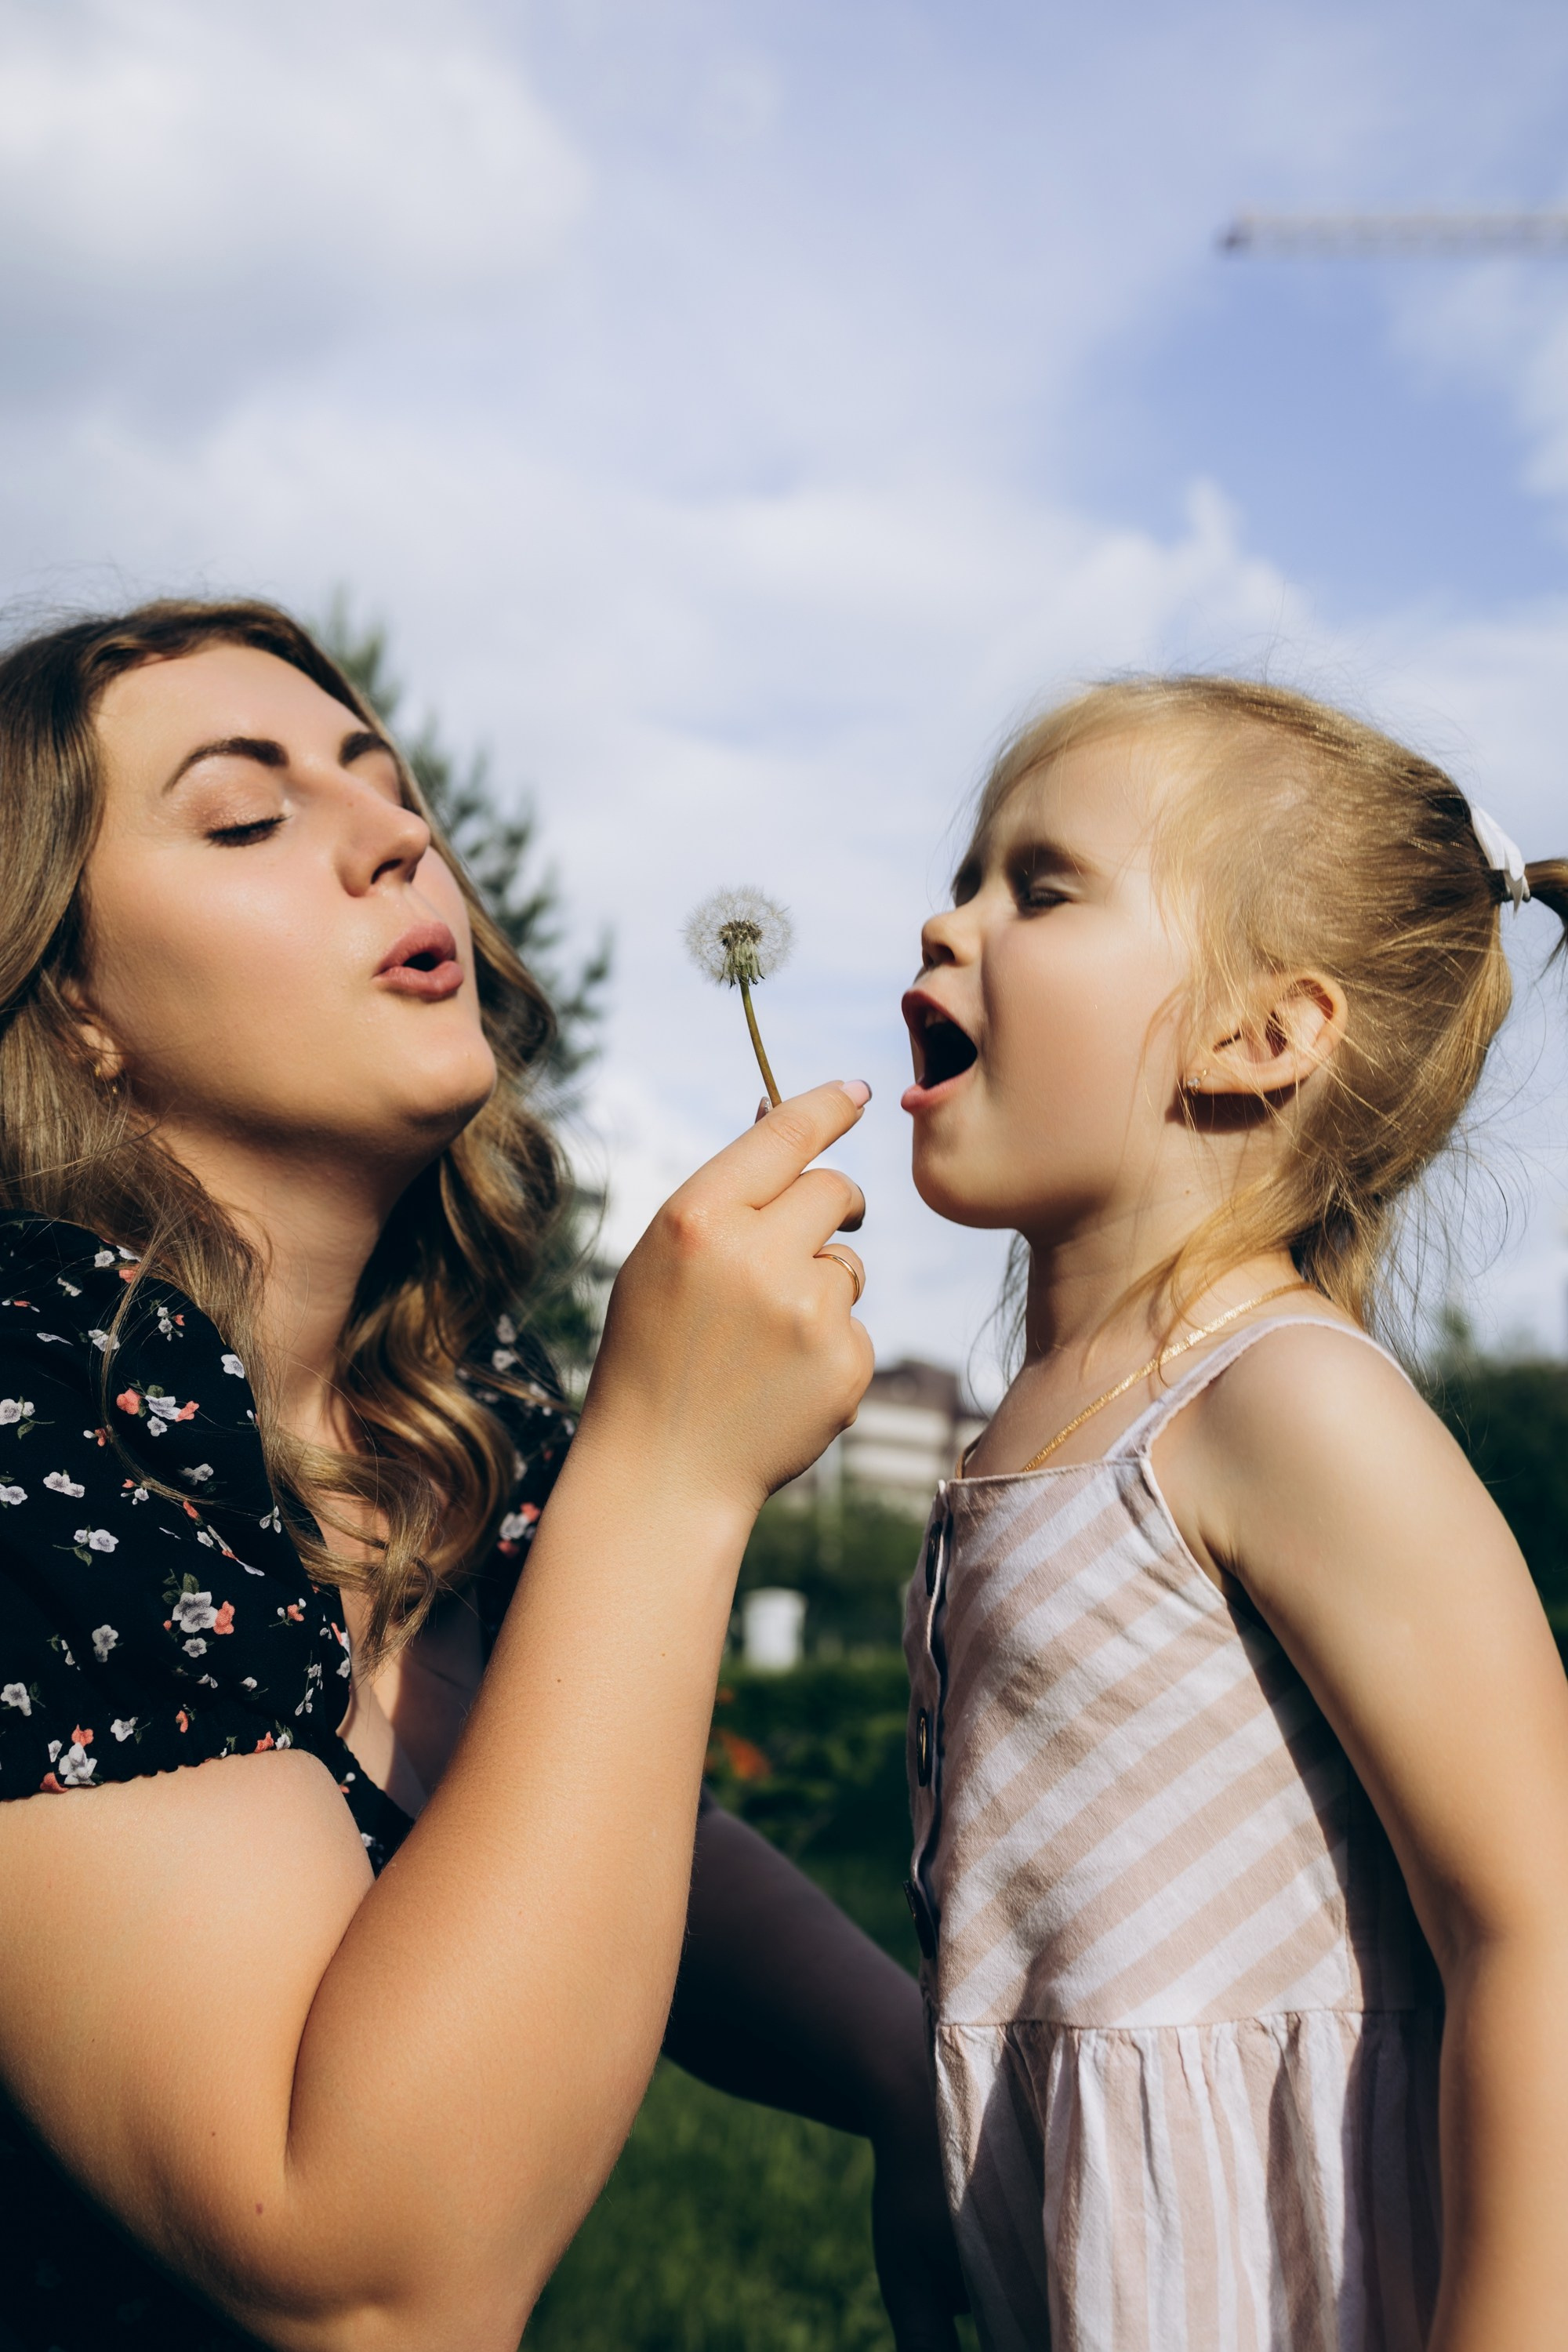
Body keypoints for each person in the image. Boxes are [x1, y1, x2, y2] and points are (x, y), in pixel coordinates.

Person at [0, 599, 963, 2351]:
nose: (395, 839)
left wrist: (915, 2084)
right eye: (246, 816)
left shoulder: (446, 1397)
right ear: (72, 1005)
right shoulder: (23, 1402)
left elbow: (580, 1823)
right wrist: (668, 1474)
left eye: (388, 787)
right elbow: (373, 2279)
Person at [899, 677, 1568, 2352]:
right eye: (968, 874)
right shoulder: (1040, 1426)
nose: (945, 914)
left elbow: (1535, 1918)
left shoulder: (1282, 1399)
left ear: (1258, 1034)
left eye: (1036, 888)